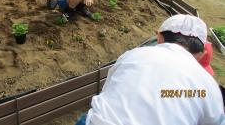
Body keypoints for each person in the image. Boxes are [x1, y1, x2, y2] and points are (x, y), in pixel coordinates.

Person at [77, 14, 225, 125]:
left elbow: (108, 91)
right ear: (202, 53)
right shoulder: (208, 86)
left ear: (159, 37)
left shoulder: (133, 55)